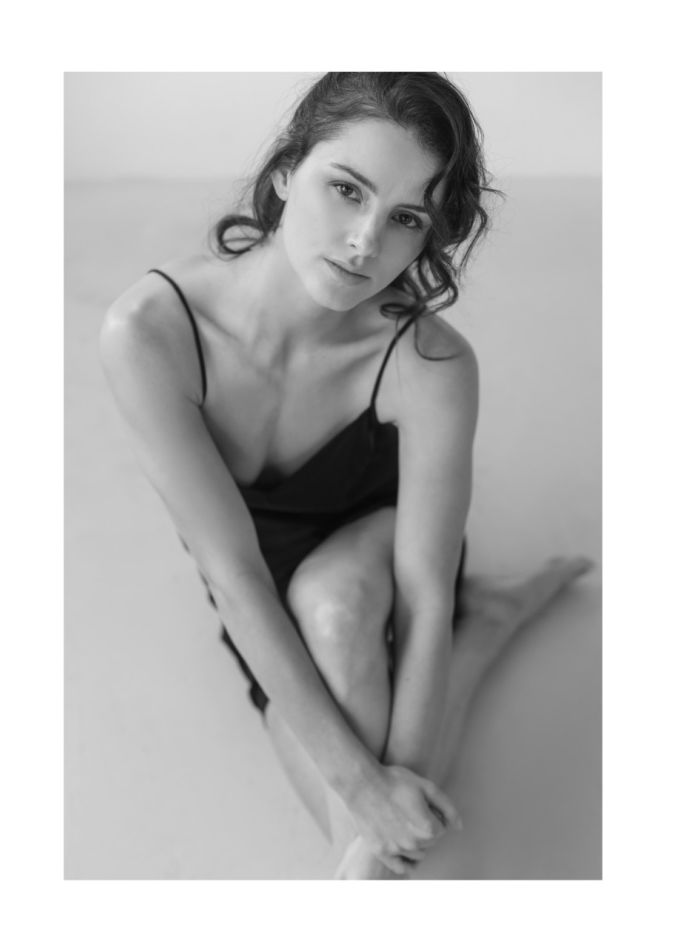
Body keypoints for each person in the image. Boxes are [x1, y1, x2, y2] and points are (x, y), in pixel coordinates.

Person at [99, 72, 591, 879]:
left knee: (335, 607)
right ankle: (488, 627)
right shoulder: (150, 333)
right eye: (347, 190)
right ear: (285, 173)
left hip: (378, 553)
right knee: (364, 830)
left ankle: (476, 622)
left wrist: (379, 800)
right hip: (256, 588)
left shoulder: (429, 363)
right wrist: (368, 793)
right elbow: (232, 576)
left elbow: (422, 596)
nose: (366, 242)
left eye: (406, 218)